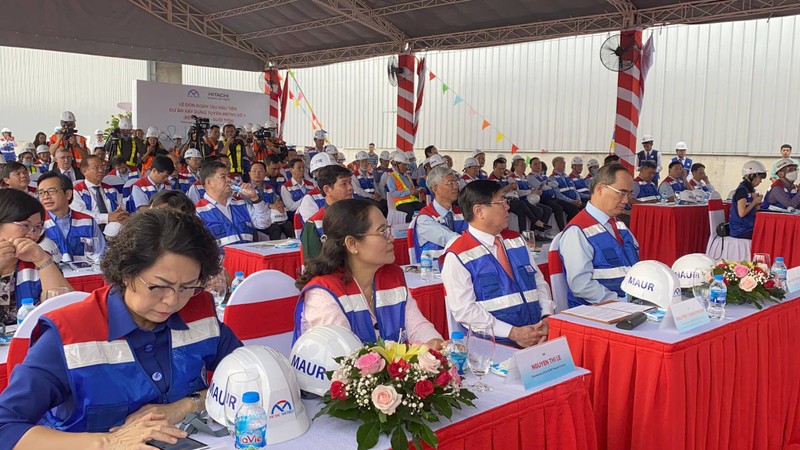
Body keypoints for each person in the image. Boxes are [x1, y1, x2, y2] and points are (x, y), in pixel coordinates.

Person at [0, 209, 242, 447]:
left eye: (187, 287)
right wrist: (109, 441)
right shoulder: (69, 335)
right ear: (127, 272)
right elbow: (5, 426)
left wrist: (185, 406)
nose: (173, 301)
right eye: (158, 287)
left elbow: (250, 378)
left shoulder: (199, 312)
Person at [293, 199, 443, 348]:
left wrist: (434, 343)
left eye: (388, 229)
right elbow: (345, 360)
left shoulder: (392, 275)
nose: (392, 238)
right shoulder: (323, 294)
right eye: (382, 231)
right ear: (352, 244)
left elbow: (417, 326)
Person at [441, 180, 553, 348]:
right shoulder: (458, 255)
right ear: (479, 211)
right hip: (495, 346)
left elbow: (538, 282)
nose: (507, 207)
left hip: (539, 336)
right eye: (501, 202)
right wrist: (513, 333)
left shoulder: (516, 240)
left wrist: (546, 316)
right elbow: (465, 310)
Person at [558, 164, 640, 307]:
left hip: (628, 307)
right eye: (621, 193)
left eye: (629, 194)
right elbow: (581, 285)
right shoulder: (577, 231)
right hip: (597, 314)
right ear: (600, 189)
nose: (626, 201)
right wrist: (621, 303)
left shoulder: (620, 225)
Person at [0, 189, 72, 323]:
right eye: (25, 225)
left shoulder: (36, 258)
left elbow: (67, 308)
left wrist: (42, 260)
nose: (32, 234)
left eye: (37, 227)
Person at [195, 160, 270, 249]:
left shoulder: (240, 203)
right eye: (223, 177)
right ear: (209, 182)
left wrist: (255, 198)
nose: (229, 180)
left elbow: (264, 223)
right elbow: (198, 247)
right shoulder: (198, 212)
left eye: (228, 176)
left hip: (247, 258)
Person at [38, 172, 106, 263]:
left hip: (84, 274)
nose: (46, 197)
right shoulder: (37, 224)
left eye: (51, 191)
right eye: (41, 193)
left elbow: (102, 254)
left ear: (68, 194)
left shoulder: (88, 221)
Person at [412, 166, 466, 262]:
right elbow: (449, 238)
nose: (456, 186)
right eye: (450, 183)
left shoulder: (460, 212)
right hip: (433, 271)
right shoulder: (424, 218)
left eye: (456, 182)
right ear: (435, 188)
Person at [301, 164, 354, 261]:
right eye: (344, 184)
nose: (350, 187)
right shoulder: (315, 224)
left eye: (350, 182)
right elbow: (313, 265)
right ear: (327, 190)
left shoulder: (359, 215)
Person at [489, 158, 550, 233]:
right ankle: (536, 222)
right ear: (494, 168)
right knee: (522, 203)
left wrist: (512, 187)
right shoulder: (491, 180)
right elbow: (494, 195)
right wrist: (507, 188)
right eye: (499, 169)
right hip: (501, 203)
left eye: (503, 169)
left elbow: (514, 190)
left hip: (513, 200)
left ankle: (524, 235)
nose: (502, 171)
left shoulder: (506, 178)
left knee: (523, 212)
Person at [71, 156, 128, 237]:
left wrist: (120, 212)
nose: (101, 170)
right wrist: (107, 217)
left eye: (102, 166)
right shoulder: (76, 191)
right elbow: (81, 215)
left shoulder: (111, 189)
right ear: (84, 171)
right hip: (88, 232)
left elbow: (122, 206)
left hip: (112, 232)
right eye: (96, 168)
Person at [250, 161, 293, 240]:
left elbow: (276, 200)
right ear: (249, 173)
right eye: (254, 171)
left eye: (260, 171)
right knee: (275, 228)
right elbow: (250, 205)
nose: (257, 173)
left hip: (275, 218)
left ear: (265, 173)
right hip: (259, 220)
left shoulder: (269, 188)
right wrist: (269, 206)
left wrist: (279, 204)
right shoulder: (247, 189)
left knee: (289, 225)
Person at [527, 157, 572, 229]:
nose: (538, 165)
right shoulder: (530, 177)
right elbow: (541, 186)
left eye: (539, 163)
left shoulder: (543, 176)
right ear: (530, 166)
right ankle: (561, 230)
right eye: (535, 164)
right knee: (558, 208)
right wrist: (548, 184)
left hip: (552, 197)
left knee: (569, 206)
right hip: (543, 198)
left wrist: (546, 183)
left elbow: (556, 184)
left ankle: (568, 228)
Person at [730, 161, 766, 239]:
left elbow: (754, 209)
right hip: (740, 230)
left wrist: (757, 204)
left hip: (747, 226)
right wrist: (754, 202)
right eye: (760, 178)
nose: (760, 181)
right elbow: (742, 213)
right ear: (752, 176)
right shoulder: (742, 191)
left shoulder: (749, 190)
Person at [386, 152, 424, 222]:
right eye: (404, 165)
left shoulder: (407, 176)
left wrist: (417, 191)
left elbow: (411, 189)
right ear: (396, 164)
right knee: (414, 214)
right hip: (401, 203)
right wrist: (410, 192)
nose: (406, 167)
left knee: (426, 210)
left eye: (407, 165)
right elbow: (394, 193)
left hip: (413, 201)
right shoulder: (391, 178)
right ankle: (408, 228)